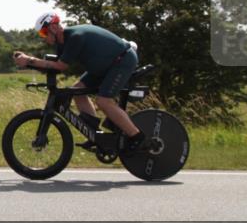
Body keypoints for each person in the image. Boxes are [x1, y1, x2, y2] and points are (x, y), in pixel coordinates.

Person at [12, 12, 147, 152]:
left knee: (104, 101)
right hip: (104, 66)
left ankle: (137, 137)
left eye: (43, 33)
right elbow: (55, 66)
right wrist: (28, 63)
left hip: (122, 61)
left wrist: (29, 60)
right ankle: (94, 135)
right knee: (78, 91)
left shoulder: (75, 37)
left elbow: (61, 66)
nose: (43, 38)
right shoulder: (61, 43)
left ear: (52, 28)